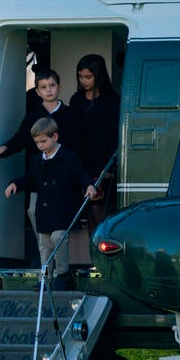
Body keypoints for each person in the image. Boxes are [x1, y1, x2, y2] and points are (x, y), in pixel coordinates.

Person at [0, 69, 82, 248]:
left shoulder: (71, 115)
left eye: (52, 86)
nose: (48, 90)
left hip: (63, 178)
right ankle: (44, 259)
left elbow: (77, 147)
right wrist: (5, 147)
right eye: (43, 87)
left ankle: (59, 264)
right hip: (39, 176)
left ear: (59, 87)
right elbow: (21, 137)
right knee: (32, 210)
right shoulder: (33, 115)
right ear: (37, 91)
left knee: (60, 223)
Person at [4, 118, 96, 290]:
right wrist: (15, 183)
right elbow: (31, 177)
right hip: (45, 210)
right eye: (37, 142)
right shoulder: (37, 159)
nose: (40, 145)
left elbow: (80, 173)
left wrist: (89, 185)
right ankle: (45, 277)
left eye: (44, 141)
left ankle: (62, 274)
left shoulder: (69, 157)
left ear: (55, 136)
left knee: (59, 238)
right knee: (44, 245)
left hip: (63, 209)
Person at [68, 54, 120, 236]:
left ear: (99, 76)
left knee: (100, 213)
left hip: (103, 166)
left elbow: (115, 136)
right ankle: (93, 260)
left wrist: (111, 167)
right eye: (80, 77)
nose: (83, 81)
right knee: (88, 212)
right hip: (82, 164)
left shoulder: (112, 102)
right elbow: (73, 134)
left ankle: (102, 257)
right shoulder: (76, 100)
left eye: (88, 77)